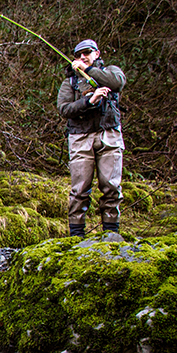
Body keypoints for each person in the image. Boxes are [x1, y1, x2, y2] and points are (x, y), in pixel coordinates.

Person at [56, 39, 126, 237]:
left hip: (109, 134)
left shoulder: (111, 72)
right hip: (80, 137)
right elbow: (64, 109)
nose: (82, 57)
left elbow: (118, 83)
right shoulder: (70, 81)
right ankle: (76, 237)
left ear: (97, 53)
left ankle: (112, 236)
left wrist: (90, 70)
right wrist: (89, 101)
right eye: (78, 55)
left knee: (111, 187)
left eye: (86, 52)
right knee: (79, 190)